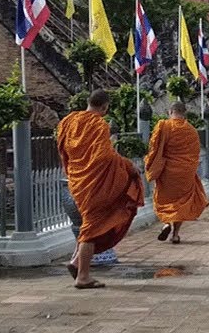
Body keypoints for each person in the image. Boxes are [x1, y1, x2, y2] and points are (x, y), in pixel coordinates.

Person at [57, 89, 144, 289]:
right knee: (92, 226)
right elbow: (104, 157)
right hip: (94, 182)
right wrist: (129, 165)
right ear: (105, 107)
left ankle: (77, 262)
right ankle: (83, 277)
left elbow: (63, 150)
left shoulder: (68, 121)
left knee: (90, 223)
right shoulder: (99, 125)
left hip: (78, 180)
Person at [144, 100, 208, 244]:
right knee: (180, 203)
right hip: (184, 173)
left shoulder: (164, 126)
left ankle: (166, 223)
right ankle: (175, 235)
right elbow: (195, 153)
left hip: (167, 172)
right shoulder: (191, 130)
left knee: (163, 199)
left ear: (170, 112)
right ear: (184, 113)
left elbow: (153, 148)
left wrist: (150, 162)